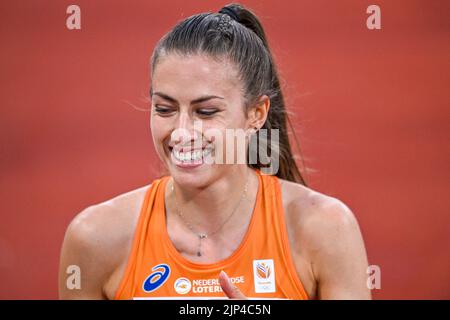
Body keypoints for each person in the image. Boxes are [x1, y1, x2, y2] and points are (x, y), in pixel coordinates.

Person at [58, 3, 371, 300]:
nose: (182, 132)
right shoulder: (95, 239)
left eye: (206, 112)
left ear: (256, 114)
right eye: (164, 108)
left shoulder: (324, 230)